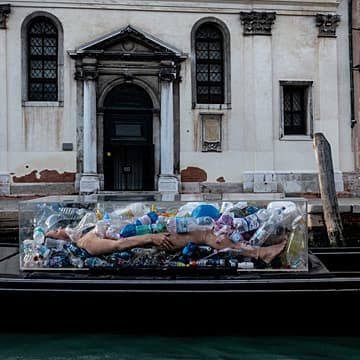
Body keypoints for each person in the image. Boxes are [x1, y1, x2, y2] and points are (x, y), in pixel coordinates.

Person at [45, 226, 287, 264]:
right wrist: (151, 237)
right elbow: (119, 246)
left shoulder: (85, 233)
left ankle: (260, 245)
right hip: (149, 246)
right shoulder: (87, 242)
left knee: (208, 231)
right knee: (203, 234)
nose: (61, 228)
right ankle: (260, 253)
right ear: (61, 240)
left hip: (148, 237)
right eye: (56, 231)